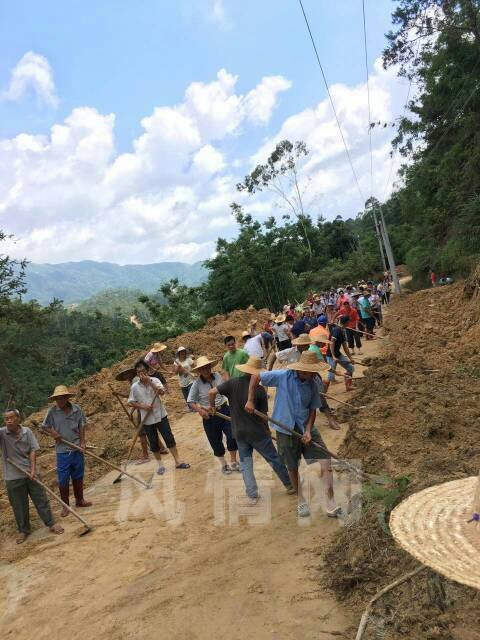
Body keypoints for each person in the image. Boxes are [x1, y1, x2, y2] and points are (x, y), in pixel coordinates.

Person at [245, 351, 340, 518]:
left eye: (312, 373)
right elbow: (256, 376)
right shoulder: (283, 376)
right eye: (306, 372)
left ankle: (330, 503)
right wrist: (250, 400)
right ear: (299, 369)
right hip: (285, 430)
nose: (309, 375)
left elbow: (312, 410)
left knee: (326, 461)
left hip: (305, 427)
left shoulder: (312, 384)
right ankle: (301, 501)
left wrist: (309, 430)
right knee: (293, 466)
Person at [208, 356, 293, 505]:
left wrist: (212, 407)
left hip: (239, 433)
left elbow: (211, 393)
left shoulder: (232, 383)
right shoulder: (259, 391)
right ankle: (290, 484)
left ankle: (252, 494)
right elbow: (263, 416)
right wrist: (267, 431)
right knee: (273, 459)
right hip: (257, 433)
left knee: (246, 464)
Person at [1, 409, 64, 544]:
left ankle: (51, 523)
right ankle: (23, 530)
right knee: (19, 505)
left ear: (18, 418)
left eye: (11, 418)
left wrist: (33, 470)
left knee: (41, 499)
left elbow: (33, 450)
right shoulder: (2, 434)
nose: (9, 421)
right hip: (13, 476)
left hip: (31, 473)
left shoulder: (27, 432)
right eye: (6, 419)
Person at [128, 360, 190, 474]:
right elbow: (131, 402)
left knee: (169, 437)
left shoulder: (155, 380)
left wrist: (150, 382)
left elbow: (161, 392)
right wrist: (143, 406)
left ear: (147, 371)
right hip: (147, 419)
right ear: (136, 374)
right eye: (138, 372)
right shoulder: (134, 387)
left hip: (160, 415)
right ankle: (160, 466)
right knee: (153, 443)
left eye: (143, 371)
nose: (141, 374)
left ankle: (178, 461)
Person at [42, 385, 92, 517]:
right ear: (55, 399)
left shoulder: (77, 409)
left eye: (63, 397)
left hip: (76, 447)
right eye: (58, 398)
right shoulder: (52, 412)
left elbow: (82, 425)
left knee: (78, 475)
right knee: (63, 479)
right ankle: (65, 506)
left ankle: (80, 500)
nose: (60, 400)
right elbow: (44, 427)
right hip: (62, 450)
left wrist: (83, 442)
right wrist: (54, 433)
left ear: (67, 397)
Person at [187, 356, 239, 475]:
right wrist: (200, 411)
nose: (206, 370)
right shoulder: (196, 384)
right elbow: (190, 401)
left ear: (210, 367)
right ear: (199, 371)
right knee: (215, 441)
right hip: (209, 416)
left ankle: (234, 462)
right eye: (203, 368)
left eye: (207, 367)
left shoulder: (218, 376)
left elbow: (226, 390)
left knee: (232, 435)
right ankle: (224, 465)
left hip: (224, 410)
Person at [325, 316, 355, 392]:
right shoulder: (337, 330)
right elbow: (332, 342)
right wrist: (333, 356)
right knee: (331, 375)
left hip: (338, 354)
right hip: (331, 356)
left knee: (350, 368)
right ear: (346, 322)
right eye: (349, 321)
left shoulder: (342, 331)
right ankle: (324, 392)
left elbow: (345, 347)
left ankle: (348, 386)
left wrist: (350, 358)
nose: (349, 323)